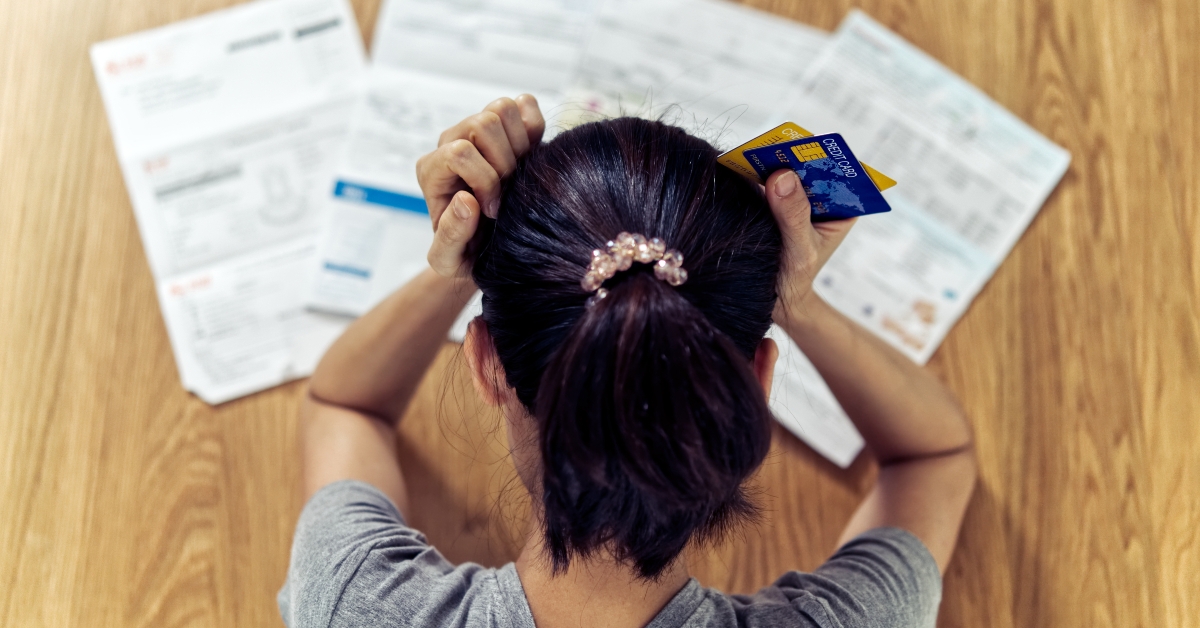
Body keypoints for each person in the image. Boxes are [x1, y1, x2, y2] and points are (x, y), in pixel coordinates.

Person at [279, 95, 977, 628]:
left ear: (485, 361)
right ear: (756, 379)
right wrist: (799, 301)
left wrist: (457, 259)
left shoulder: (356, 602)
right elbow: (933, 456)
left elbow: (346, 403)